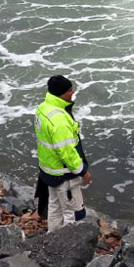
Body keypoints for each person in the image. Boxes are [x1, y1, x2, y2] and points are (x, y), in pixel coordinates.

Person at [34, 74, 90, 231]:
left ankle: (53, 237)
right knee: (72, 213)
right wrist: (83, 171)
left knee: (55, 207)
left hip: (48, 171)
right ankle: (68, 248)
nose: (72, 92)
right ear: (61, 93)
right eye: (69, 90)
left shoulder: (43, 109)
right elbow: (67, 152)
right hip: (64, 175)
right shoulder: (59, 121)